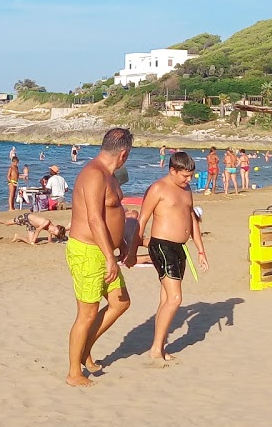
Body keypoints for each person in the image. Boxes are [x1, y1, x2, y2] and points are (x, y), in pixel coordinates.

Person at [64, 127, 136, 386]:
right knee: (87, 312)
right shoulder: (94, 174)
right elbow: (94, 218)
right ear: (124, 154)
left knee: (120, 302)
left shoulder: (111, 175)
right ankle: (74, 372)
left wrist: (123, 242)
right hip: (88, 251)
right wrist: (109, 256)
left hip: (104, 250)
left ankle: (85, 350)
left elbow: (113, 213)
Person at [138, 151, 209, 367]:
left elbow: (193, 222)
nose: (189, 180)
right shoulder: (158, 188)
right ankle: (156, 349)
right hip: (161, 245)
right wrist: (132, 249)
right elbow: (142, 219)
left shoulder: (186, 190)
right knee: (175, 299)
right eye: (185, 176)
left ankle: (158, 347)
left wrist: (201, 250)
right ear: (172, 170)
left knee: (166, 299)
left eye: (190, 176)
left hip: (180, 248)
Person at [0, 212, 67, 244]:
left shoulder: (51, 229)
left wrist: (54, 240)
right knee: (8, 223)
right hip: (26, 218)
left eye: (53, 232)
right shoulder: (47, 222)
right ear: (56, 226)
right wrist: (34, 241)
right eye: (54, 230)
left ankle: (18, 237)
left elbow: (49, 240)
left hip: (31, 225)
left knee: (30, 242)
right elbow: (38, 230)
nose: (52, 231)